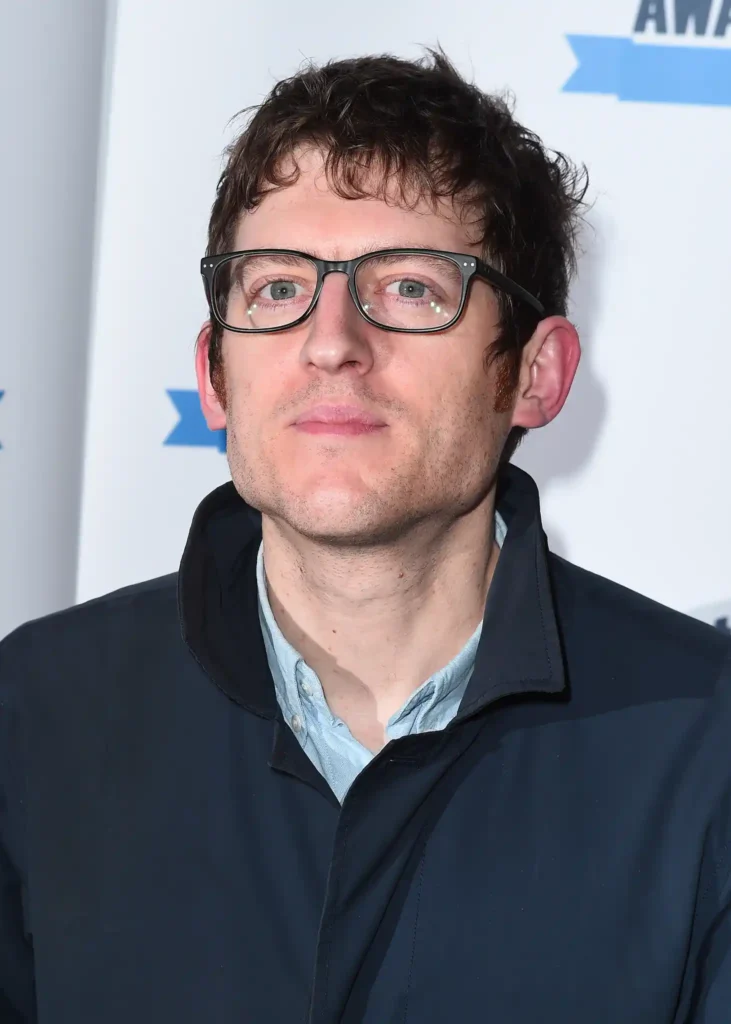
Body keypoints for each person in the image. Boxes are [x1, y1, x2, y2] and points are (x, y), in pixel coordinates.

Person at [1, 47, 729, 1024]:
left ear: (535, 375)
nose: (331, 340)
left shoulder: (704, 744)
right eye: (275, 288)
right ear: (214, 377)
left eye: (411, 288)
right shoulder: (35, 715)